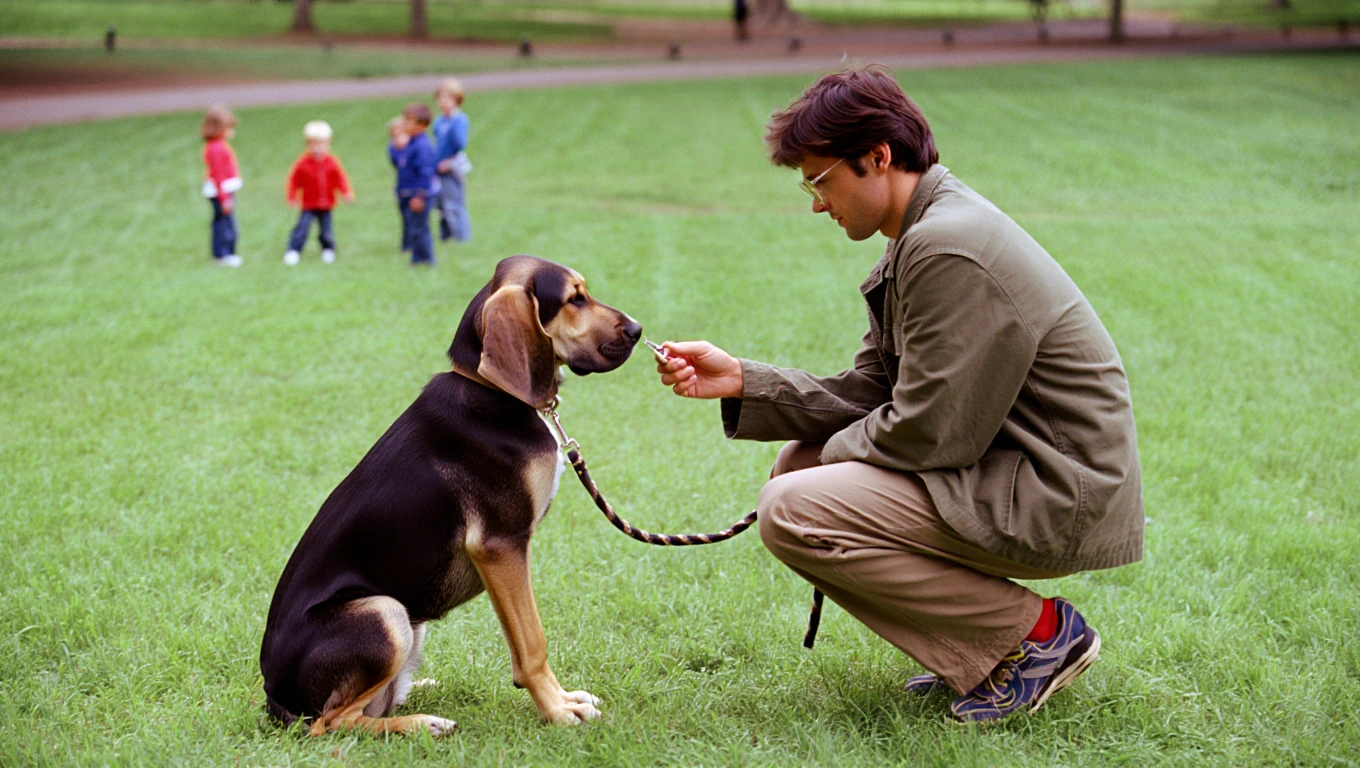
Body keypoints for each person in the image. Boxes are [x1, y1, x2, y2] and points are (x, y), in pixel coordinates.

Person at [654, 65, 1143, 724]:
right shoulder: (924, 232)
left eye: (819, 180)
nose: (815, 203)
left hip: (1058, 492)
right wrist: (747, 378)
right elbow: (874, 389)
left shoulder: (946, 247)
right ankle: (989, 654)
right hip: (1021, 471)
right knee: (797, 473)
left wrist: (829, 456)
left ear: (877, 158)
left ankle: (1037, 637)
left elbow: (934, 432)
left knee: (796, 505)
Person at [283, 120, 354, 266]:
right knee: (302, 226)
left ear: (328, 144)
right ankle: (294, 250)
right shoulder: (303, 164)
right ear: (307, 145)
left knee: (326, 229)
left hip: (326, 203)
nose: (317, 148)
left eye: (321, 144)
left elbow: (340, 179)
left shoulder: (332, 162)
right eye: (313, 145)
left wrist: (346, 192)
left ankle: (327, 249)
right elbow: (294, 181)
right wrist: (292, 196)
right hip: (309, 203)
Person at [200, 104, 243, 267]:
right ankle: (224, 254)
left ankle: (222, 253)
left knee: (221, 222)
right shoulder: (216, 148)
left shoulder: (215, 145)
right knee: (225, 224)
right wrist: (225, 199)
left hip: (221, 191)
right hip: (221, 192)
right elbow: (219, 175)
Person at [431, 77, 472, 244]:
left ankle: (461, 236)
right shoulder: (439, 121)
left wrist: (447, 162)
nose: (443, 102)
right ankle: (445, 235)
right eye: (441, 98)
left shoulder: (459, 119)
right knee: (441, 204)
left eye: (448, 98)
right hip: (438, 166)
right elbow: (437, 142)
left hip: (452, 165)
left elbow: (460, 143)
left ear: (457, 99)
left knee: (455, 203)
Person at [397, 103, 438, 266]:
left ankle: (426, 259)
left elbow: (425, 173)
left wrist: (419, 195)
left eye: (408, 120)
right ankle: (416, 257)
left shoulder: (422, 146)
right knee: (414, 228)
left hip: (418, 195)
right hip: (407, 193)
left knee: (420, 229)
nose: (404, 123)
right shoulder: (411, 143)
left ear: (421, 125)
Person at [387, 116, 413, 254]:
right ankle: (406, 244)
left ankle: (414, 244)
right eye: (395, 136)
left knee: (413, 219)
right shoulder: (394, 151)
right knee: (405, 218)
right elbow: (396, 161)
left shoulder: (414, 150)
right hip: (402, 189)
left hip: (414, 190)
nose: (399, 139)